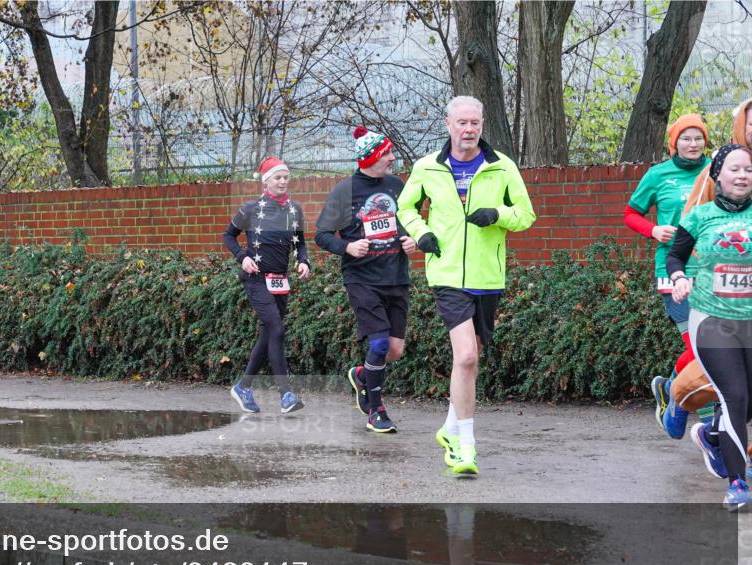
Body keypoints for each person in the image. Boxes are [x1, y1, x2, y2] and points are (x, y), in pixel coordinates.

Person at [397, 96, 535, 475]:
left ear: (482, 125)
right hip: (445, 275)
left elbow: (526, 215)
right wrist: (421, 233)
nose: (469, 129)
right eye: (462, 122)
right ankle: (465, 447)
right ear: (448, 124)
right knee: (467, 356)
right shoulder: (428, 167)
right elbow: (405, 208)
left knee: (473, 354)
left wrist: (498, 215)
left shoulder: (501, 166)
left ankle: (449, 426)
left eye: (475, 122)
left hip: (487, 276)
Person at [667, 144, 752, 512]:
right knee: (734, 396)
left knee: (751, 399)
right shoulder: (699, 217)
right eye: (734, 169)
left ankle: (711, 433)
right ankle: (737, 483)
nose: (742, 175)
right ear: (717, 175)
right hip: (712, 319)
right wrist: (677, 277)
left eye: (748, 169)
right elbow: (676, 255)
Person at [315, 127, 416, 434]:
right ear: (370, 157)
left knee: (394, 350)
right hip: (362, 279)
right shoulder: (344, 192)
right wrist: (347, 246)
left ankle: (361, 376)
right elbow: (321, 235)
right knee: (380, 341)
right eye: (386, 153)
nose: (392, 157)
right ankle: (376, 410)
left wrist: (410, 238)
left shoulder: (396, 186)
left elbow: (408, 221)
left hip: (396, 275)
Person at [622, 114, 711, 435]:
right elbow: (631, 213)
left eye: (698, 138)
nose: (693, 144)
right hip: (672, 271)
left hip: (711, 271)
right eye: (686, 138)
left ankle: (670, 389)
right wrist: (653, 229)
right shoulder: (658, 175)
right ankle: (698, 409)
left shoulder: (715, 170)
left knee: (709, 346)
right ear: (674, 143)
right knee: (700, 346)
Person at [224, 157, 309, 413]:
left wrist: (304, 261)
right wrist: (243, 257)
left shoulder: (294, 210)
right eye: (277, 177)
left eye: (285, 177)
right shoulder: (250, 209)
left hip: (280, 280)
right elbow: (228, 235)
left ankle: (243, 387)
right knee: (276, 329)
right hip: (256, 279)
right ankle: (286, 395)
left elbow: (300, 242)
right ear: (266, 182)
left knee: (269, 334)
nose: (282, 181)